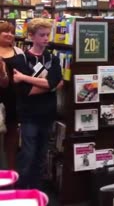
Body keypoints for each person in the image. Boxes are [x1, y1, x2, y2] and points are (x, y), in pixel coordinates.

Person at [12, 18, 63, 189]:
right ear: (31, 36)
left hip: (48, 113)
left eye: (48, 35)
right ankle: (21, 190)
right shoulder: (21, 59)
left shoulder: (53, 58)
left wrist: (24, 78)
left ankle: (35, 188)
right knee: (28, 153)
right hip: (29, 114)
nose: (46, 39)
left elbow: (53, 82)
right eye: (42, 35)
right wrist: (50, 85)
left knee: (42, 154)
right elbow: (27, 91)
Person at [0, 21, 23, 169]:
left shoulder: (19, 52)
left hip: (14, 100)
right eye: (5, 31)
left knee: (12, 139)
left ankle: (11, 172)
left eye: (12, 32)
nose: (9, 34)